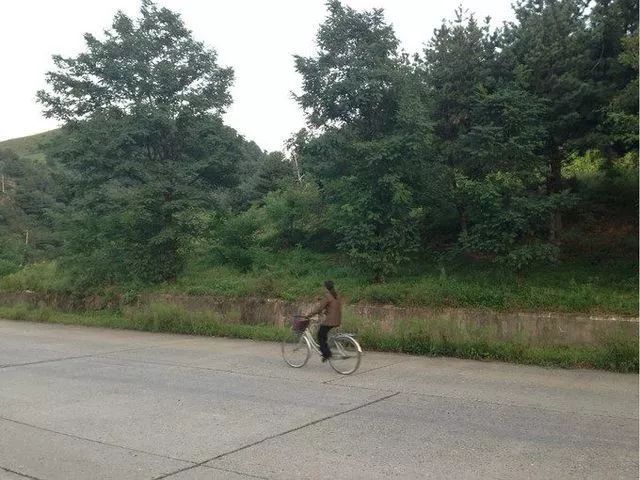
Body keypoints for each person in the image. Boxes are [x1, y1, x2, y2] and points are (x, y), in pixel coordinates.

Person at [308, 280, 342, 362]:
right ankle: (326, 351)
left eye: (323, 287)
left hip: (330, 320)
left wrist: (309, 315)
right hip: (337, 320)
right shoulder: (335, 295)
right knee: (324, 335)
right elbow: (330, 305)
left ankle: (326, 354)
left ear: (326, 288)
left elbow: (319, 308)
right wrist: (321, 300)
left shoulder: (327, 296)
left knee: (320, 335)